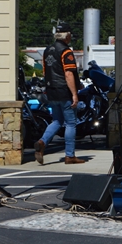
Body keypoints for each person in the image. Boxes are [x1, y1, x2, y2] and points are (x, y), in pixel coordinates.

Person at [34, 22, 85, 165]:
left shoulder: (47, 50)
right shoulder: (66, 51)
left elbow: (45, 72)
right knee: (71, 123)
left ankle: (42, 142)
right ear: (67, 35)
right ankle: (70, 155)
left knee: (57, 121)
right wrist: (74, 94)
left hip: (51, 91)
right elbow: (68, 74)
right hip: (64, 91)